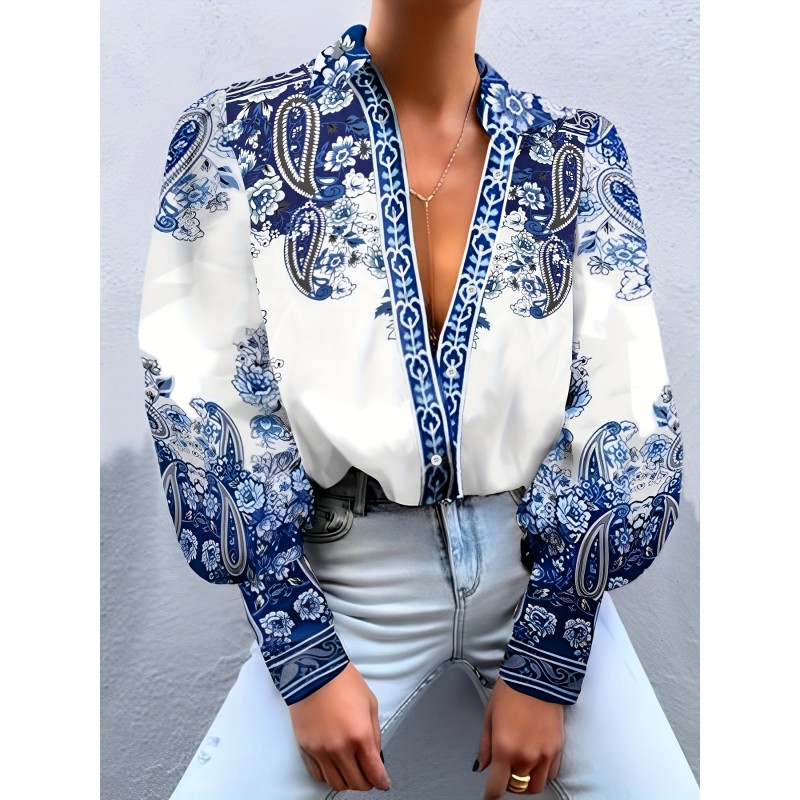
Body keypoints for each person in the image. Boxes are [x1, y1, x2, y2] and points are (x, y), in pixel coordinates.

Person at [138, 1, 699, 797]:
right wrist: (302, 654)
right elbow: (200, 395)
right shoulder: (239, 135)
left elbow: (628, 406)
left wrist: (551, 656)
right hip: (344, 578)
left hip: (536, 570)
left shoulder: (573, 152)